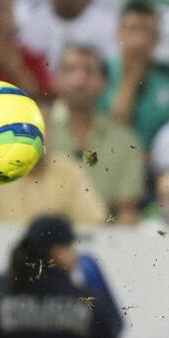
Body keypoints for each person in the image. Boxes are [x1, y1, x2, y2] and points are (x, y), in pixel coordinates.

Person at [48, 45, 146, 223]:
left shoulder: (124, 139)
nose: (80, 79)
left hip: (105, 239)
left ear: (103, 82)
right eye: (70, 70)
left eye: (89, 71)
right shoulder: (36, 132)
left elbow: (127, 209)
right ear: (56, 79)